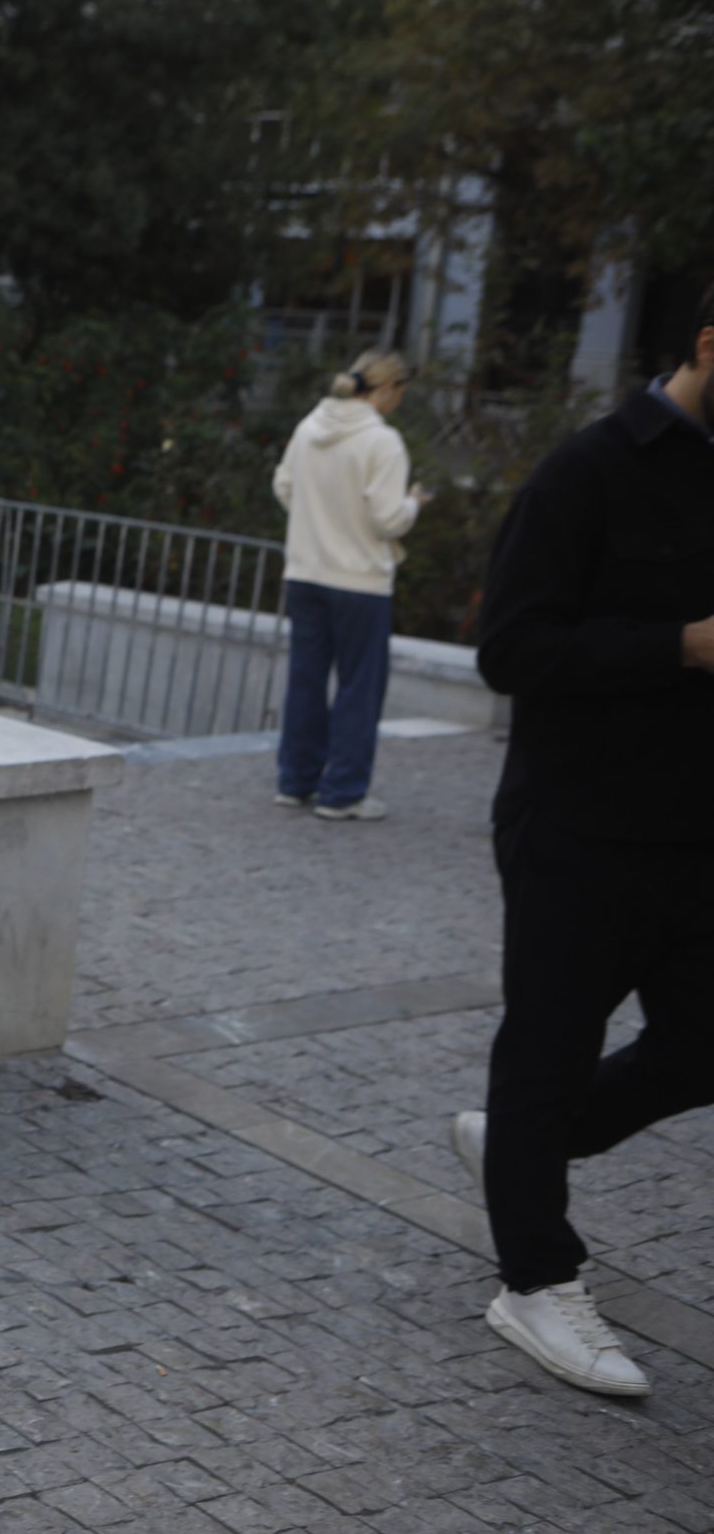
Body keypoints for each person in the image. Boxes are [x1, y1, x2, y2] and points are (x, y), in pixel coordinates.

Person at [452, 281, 714, 1398]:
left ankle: (525, 1145)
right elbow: (510, 649)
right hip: (576, 825)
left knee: (702, 1044)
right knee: (547, 1048)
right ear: (708, 344)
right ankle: (535, 1278)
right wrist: (681, 645)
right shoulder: (589, 470)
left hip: (698, 832)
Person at [269, 347, 429, 820]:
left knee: (305, 680)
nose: (398, 402)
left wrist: (316, 520)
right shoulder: (383, 442)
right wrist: (414, 504)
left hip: (306, 570)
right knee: (359, 687)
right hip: (360, 579)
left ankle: (295, 782)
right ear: (387, 388)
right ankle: (342, 793)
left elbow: (283, 486)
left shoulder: (309, 427)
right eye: (400, 392)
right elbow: (387, 519)